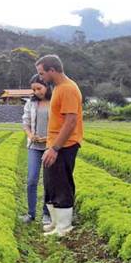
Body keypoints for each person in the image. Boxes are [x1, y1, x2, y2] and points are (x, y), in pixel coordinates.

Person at [35, 54, 84, 236]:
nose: (41, 77)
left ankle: (64, 226)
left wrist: (55, 148)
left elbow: (71, 122)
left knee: (62, 183)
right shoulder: (58, 88)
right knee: (51, 183)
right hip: (54, 144)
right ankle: (55, 223)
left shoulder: (68, 89)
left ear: (52, 70)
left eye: (42, 73)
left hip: (65, 145)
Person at [21, 74, 52, 225]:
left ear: (47, 86)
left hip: (49, 147)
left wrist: (48, 139)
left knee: (48, 181)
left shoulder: (54, 102)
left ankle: (47, 213)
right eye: (34, 89)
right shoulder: (30, 103)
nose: (36, 92)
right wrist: (31, 135)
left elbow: (59, 125)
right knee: (32, 180)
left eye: (39, 88)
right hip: (34, 146)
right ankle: (31, 213)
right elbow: (25, 123)